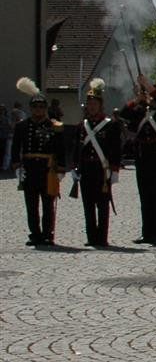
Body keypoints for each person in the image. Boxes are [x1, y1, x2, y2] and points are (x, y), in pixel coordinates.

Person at [119, 75, 156, 245]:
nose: (151, 97)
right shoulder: (142, 112)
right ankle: (147, 232)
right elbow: (124, 114)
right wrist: (137, 99)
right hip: (143, 158)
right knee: (145, 197)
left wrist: (149, 87)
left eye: (155, 94)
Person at [12, 78, 62, 246]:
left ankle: (48, 234)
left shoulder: (54, 126)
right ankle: (35, 233)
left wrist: (61, 169)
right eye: (35, 107)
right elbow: (15, 148)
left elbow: (60, 149)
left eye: (41, 107)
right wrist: (17, 167)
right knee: (31, 205)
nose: (38, 110)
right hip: (30, 169)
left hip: (48, 170)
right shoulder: (22, 126)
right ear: (30, 108)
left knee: (48, 205)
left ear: (45, 109)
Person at [74, 78, 123, 247]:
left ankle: (102, 238)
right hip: (86, 168)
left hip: (102, 169)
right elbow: (77, 148)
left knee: (102, 205)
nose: (92, 106)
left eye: (94, 103)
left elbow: (116, 149)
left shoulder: (111, 125)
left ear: (100, 105)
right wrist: (75, 167)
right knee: (88, 205)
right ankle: (91, 237)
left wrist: (114, 170)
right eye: (89, 103)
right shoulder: (82, 125)